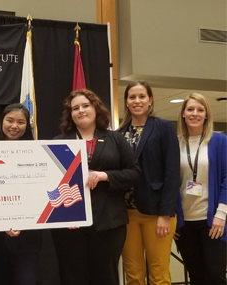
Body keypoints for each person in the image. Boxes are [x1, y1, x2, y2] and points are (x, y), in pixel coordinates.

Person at [51, 89, 141, 285]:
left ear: (96, 109)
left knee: (105, 276)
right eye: (75, 108)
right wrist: (63, 214)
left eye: (85, 106)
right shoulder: (58, 143)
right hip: (70, 224)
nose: (81, 111)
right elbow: (50, 182)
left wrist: (105, 175)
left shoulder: (115, 139)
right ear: (70, 114)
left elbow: (135, 173)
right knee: (73, 276)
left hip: (109, 222)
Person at [118, 80, 180, 285]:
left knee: (158, 274)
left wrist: (165, 213)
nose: (137, 101)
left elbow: (172, 173)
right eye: (132, 97)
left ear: (150, 100)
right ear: (126, 101)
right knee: (133, 275)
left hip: (157, 212)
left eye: (141, 96)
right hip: (126, 214)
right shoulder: (119, 133)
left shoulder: (163, 127)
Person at [0, 103, 42, 285]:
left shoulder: (39, 153)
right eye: (10, 120)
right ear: (1, 122)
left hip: (28, 234)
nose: (14, 126)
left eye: (21, 122)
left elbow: (39, 193)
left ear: (27, 125)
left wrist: (22, 222)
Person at [175, 93, 227, 285]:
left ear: (206, 115)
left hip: (213, 221)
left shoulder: (219, 141)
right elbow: (170, 181)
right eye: (190, 109)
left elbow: (226, 178)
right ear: (183, 114)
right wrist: (172, 217)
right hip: (185, 223)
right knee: (196, 277)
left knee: (215, 275)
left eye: (200, 109)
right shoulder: (175, 143)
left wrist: (221, 214)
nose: (194, 113)